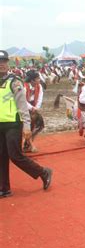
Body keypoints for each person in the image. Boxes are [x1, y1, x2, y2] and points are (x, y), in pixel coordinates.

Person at [0, 50, 52, 198]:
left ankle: (43, 172)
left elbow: (23, 106)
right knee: (1, 156)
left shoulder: (14, 81)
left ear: (7, 63)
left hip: (13, 124)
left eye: (3, 62)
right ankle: (4, 188)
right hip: (0, 125)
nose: (1, 65)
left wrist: (27, 126)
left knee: (15, 156)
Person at [23, 70, 44, 153]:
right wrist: (31, 108)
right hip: (23, 108)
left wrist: (36, 108)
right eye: (37, 78)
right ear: (32, 80)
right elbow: (22, 100)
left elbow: (40, 97)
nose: (39, 79)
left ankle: (27, 143)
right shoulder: (24, 87)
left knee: (40, 124)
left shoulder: (39, 86)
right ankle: (30, 145)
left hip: (33, 107)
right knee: (27, 127)